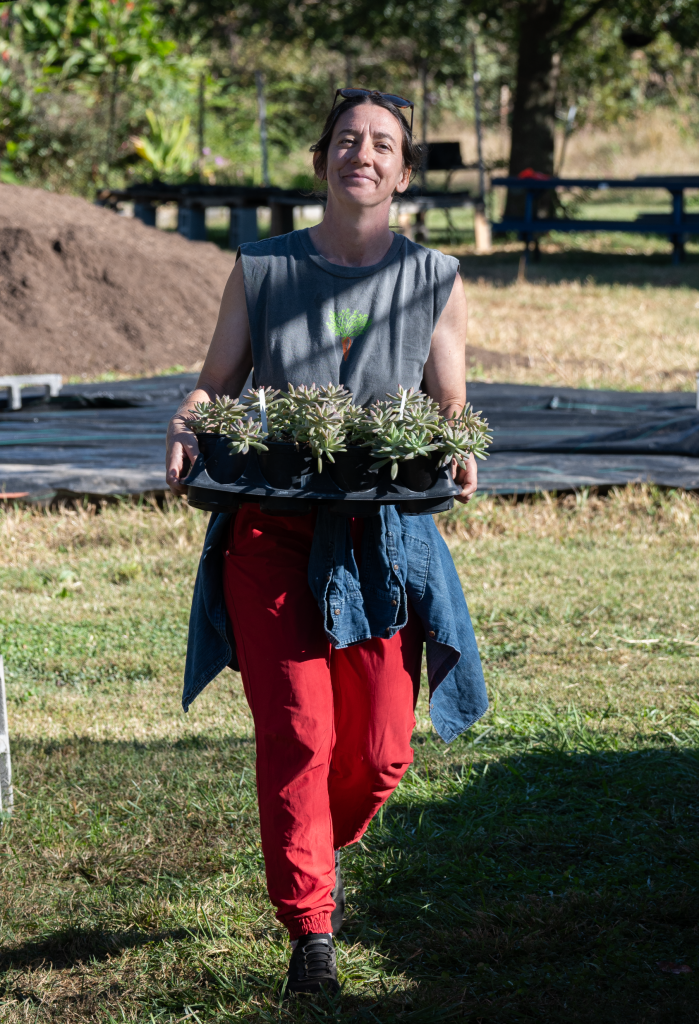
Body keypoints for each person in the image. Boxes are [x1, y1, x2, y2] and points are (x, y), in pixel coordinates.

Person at [166, 88, 488, 997]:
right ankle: (311, 927)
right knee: (300, 735)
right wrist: (185, 426)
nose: (364, 154)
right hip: (269, 531)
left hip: (378, 540)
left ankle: (305, 840)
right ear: (321, 160)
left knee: (381, 750)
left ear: (404, 170)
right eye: (348, 140)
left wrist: (460, 452)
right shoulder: (263, 269)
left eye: (383, 144)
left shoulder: (434, 276)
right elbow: (212, 385)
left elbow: (449, 406)